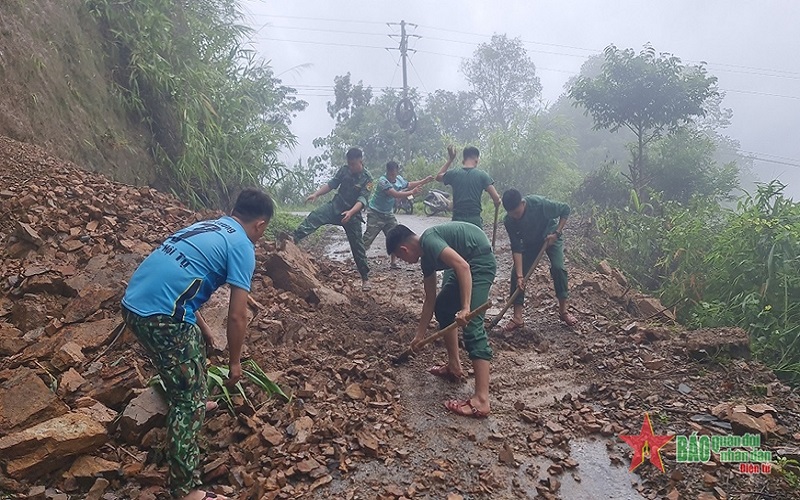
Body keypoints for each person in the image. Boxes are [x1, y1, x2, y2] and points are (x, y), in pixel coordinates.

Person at [121, 188, 274, 500]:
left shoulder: (209, 227)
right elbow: (236, 316)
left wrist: (203, 327)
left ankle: (189, 392)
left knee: (187, 348)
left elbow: (185, 280)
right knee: (187, 402)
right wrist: (235, 363)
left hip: (134, 304)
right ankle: (185, 489)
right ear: (260, 225)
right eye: (264, 229)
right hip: (162, 317)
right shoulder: (243, 245)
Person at [386, 222, 496, 418]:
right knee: (443, 307)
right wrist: (419, 336)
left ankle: (482, 400)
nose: (402, 261)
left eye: (400, 257)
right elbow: (430, 300)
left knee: (471, 325)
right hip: (464, 264)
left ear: (403, 249)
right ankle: (454, 366)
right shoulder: (426, 261)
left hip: (479, 261)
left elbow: (463, 266)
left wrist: (465, 308)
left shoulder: (429, 240)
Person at [294, 148, 373, 291]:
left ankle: (365, 278)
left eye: (353, 164)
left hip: (352, 215)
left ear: (361, 161)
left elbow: (362, 200)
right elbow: (332, 184)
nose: (351, 167)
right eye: (349, 164)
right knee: (315, 216)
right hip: (336, 206)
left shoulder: (367, 179)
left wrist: (350, 212)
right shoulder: (344, 170)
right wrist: (316, 194)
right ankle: (292, 239)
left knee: (358, 247)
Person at [501, 188, 578, 329]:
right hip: (531, 244)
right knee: (515, 275)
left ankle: (563, 311)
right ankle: (517, 317)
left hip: (550, 237)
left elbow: (565, 209)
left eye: (517, 213)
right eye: (512, 215)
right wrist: (519, 276)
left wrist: (556, 233)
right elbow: (516, 247)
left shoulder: (540, 204)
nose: (516, 217)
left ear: (523, 203)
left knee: (558, 268)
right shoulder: (509, 221)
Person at [363, 160, 433, 269]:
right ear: (387, 171)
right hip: (375, 213)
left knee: (395, 237)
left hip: (388, 214)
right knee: (368, 238)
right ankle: (360, 261)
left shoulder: (399, 179)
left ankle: (393, 263)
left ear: (397, 172)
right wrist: (412, 193)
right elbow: (394, 194)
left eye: (394, 173)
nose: (392, 176)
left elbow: (409, 184)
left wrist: (424, 181)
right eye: (391, 173)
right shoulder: (383, 181)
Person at [435, 145, 501, 228]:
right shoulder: (482, 175)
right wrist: (497, 202)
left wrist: (450, 159)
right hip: (474, 222)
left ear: (464, 160)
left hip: (457, 221)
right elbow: (496, 198)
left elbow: (438, 177)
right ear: (476, 159)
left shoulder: (454, 173)